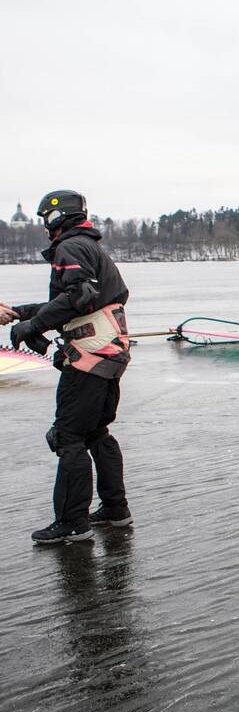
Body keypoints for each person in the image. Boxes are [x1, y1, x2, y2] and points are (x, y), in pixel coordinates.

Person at [5, 190, 132, 544]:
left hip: (90, 358)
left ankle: (72, 523)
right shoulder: (89, 246)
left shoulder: (71, 247)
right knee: (96, 433)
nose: (45, 227)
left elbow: (80, 295)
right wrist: (23, 313)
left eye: (46, 219)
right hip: (109, 355)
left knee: (68, 437)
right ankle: (115, 509)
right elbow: (76, 302)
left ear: (57, 218)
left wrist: (33, 327)